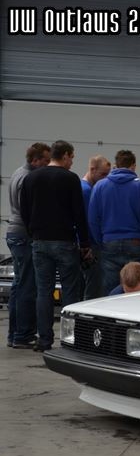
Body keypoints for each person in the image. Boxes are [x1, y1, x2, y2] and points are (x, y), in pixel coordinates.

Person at [20, 140, 91, 352]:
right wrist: (84, 243)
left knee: (44, 291)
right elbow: (79, 213)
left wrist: (33, 233)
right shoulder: (70, 179)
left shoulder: (31, 178)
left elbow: (24, 211)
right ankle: (69, 340)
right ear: (65, 155)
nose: (72, 162)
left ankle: (44, 340)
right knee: (70, 291)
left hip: (40, 242)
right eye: (72, 157)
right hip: (64, 241)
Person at [88, 150, 140, 294]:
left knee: (110, 290)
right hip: (136, 244)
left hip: (109, 243)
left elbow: (93, 220)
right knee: (136, 287)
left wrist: (100, 241)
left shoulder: (100, 187)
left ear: (116, 164)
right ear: (133, 166)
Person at [5, 143, 51, 349]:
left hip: (14, 233)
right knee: (28, 286)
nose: (48, 164)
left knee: (19, 284)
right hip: (24, 235)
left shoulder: (18, 172)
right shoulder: (28, 178)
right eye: (45, 161)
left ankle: (14, 334)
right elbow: (28, 210)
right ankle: (23, 335)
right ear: (35, 160)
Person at [80, 155, 111, 300]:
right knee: (94, 290)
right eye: (103, 174)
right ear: (92, 169)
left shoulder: (84, 187)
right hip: (91, 246)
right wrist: (91, 244)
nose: (105, 178)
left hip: (85, 244)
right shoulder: (87, 191)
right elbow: (89, 221)